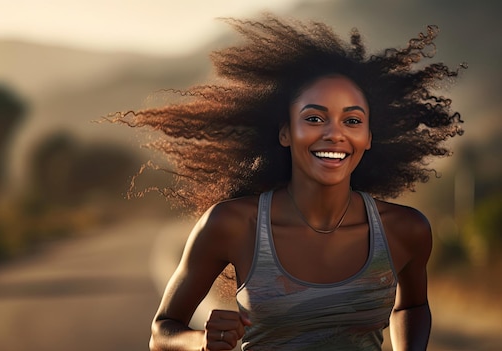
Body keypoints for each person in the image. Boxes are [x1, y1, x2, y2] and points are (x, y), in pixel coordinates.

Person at [111, 14, 464, 351]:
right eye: (314, 118)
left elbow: (412, 307)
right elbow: (162, 332)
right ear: (284, 132)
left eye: (352, 121)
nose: (334, 134)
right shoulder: (232, 224)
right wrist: (200, 340)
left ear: (370, 137)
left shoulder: (405, 229)